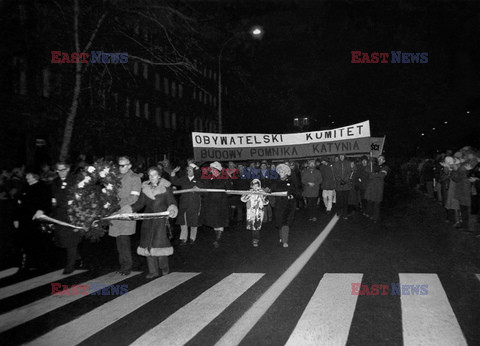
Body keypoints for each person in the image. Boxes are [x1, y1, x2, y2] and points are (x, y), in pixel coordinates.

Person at [120, 166, 178, 279]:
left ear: (159, 176)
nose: (152, 177)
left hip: (161, 222)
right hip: (148, 222)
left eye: (154, 175)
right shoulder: (145, 188)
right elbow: (140, 203)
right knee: (148, 246)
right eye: (150, 175)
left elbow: (172, 201)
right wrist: (129, 209)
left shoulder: (166, 188)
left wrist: (172, 208)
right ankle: (153, 271)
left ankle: (164, 266)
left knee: (160, 247)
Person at [34, 162, 83, 274]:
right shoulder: (55, 182)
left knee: (72, 239)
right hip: (59, 214)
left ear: (68, 169)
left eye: (63, 169)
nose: (61, 172)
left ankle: (70, 266)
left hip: (73, 213)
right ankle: (77, 257)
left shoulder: (75, 180)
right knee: (62, 239)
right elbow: (52, 199)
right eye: (58, 170)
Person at [108, 156, 141, 276]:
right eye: (119, 165)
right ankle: (123, 265)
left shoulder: (134, 178)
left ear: (129, 166)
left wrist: (118, 204)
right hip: (115, 212)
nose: (120, 168)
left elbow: (134, 197)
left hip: (126, 212)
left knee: (124, 240)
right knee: (119, 240)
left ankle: (127, 266)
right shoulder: (115, 177)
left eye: (123, 165)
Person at [14, 171, 52, 271]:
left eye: (29, 175)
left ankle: (42, 263)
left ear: (35, 176)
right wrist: (16, 218)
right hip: (24, 219)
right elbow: (19, 204)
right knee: (25, 242)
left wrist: (42, 210)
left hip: (37, 219)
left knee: (39, 241)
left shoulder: (42, 187)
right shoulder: (25, 187)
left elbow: (47, 202)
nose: (27, 177)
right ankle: (26, 263)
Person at [199, 161, 230, 248]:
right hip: (211, 204)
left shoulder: (224, 178)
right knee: (214, 222)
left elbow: (229, 190)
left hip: (221, 204)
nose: (211, 171)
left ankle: (218, 239)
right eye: (211, 169)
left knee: (220, 222)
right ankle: (217, 237)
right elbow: (205, 189)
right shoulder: (209, 179)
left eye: (213, 169)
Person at [171, 165, 203, 244]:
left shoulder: (198, 180)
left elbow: (204, 192)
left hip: (194, 203)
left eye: (191, 170)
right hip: (184, 203)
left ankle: (192, 238)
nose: (188, 171)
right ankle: (183, 238)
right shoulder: (184, 178)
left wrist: (198, 190)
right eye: (188, 170)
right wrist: (173, 173)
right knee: (183, 221)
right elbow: (175, 181)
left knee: (194, 221)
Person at [270, 163, 299, 248]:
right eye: (280, 171)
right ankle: (282, 237)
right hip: (279, 205)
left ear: (286, 172)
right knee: (280, 222)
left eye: (283, 171)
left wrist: (293, 195)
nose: (281, 172)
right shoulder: (275, 182)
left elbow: (297, 192)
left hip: (289, 205)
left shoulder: (291, 182)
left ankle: (285, 241)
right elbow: (270, 192)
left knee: (286, 223)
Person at [241, 179, 269, 247]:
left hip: (259, 212)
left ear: (259, 186)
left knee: (257, 226)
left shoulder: (262, 192)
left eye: (257, 185)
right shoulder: (249, 192)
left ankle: (255, 239)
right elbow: (243, 199)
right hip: (251, 211)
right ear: (252, 186)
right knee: (252, 226)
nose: (255, 187)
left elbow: (266, 202)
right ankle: (253, 239)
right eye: (254, 185)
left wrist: (262, 196)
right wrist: (246, 194)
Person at [365, 155, 390, 223]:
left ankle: (375, 218)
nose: (379, 160)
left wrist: (373, 175)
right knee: (370, 201)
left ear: (384, 160)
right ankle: (370, 214)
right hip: (372, 187)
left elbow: (382, 175)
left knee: (377, 203)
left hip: (378, 188)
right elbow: (368, 173)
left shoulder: (385, 167)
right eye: (378, 159)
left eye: (381, 159)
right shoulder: (374, 166)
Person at [333, 154, 352, 219]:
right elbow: (335, 173)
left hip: (346, 185)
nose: (341, 157)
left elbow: (349, 172)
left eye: (342, 155)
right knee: (339, 200)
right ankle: (338, 212)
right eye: (340, 156)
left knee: (345, 200)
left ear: (344, 156)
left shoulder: (348, 163)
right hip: (339, 185)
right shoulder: (335, 164)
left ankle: (345, 213)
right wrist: (340, 180)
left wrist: (345, 180)